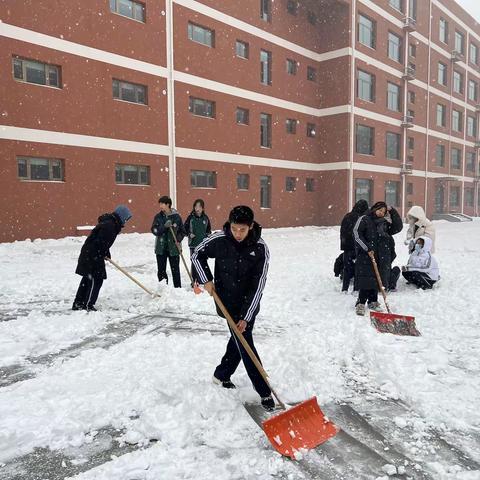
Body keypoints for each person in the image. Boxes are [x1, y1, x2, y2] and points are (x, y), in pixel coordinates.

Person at [191, 206, 274, 411]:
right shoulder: (220, 239)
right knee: (243, 341)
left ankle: (223, 375)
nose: (237, 234)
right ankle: (264, 390)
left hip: (248, 303)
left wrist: (246, 316)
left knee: (242, 337)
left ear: (251, 227)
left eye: (242, 230)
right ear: (230, 225)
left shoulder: (260, 248)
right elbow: (197, 254)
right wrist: (206, 280)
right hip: (225, 300)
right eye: (235, 229)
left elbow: (258, 285)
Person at [72, 205, 132, 311]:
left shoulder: (110, 223)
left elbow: (103, 241)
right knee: (96, 279)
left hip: (91, 253)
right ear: (121, 216)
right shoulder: (110, 225)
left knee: (88, 278)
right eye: (126, 219)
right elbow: (100, 242)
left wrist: (106, 252)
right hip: (93, 255)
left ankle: (78, 303)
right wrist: (103, 251)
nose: (125, 222)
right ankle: (88, 305)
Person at [353, 201, 403, 316]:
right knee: (366, 279)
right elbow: (356, 234)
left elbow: (397, 227)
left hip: (381, 255)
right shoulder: (364, 219)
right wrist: (367, 248)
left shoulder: (384, 223)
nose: (381, 213)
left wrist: (393, 211)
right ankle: (360, 303)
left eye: (383, 212)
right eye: (379, 210)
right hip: (367, 255)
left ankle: (373, 301)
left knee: (377, 279)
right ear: (374, 208)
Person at [151, 196, 186, 288]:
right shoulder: (158, 217)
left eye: (162, 204)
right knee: (161, 270)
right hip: (161, 248)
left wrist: (177, 239)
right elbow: (154, 230)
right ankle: (163, 289)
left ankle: (177, 289)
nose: (160, 206)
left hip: (173, 248)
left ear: (168, 204)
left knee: (175, 270)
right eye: (160, 204)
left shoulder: (177, 217)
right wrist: (164, 227)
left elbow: (182, 231)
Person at [340, 199, 369, 292]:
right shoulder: (363, 218)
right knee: (358, 268)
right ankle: (356, 289)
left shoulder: (347, 216)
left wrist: (344, 245)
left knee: (347, 268)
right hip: (359, 247)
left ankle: (345, 288)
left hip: (347, 247)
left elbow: (343, 232)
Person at [184, 199, 212, 285]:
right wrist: (189, 234)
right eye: (196, 206)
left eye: (199, 206)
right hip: (193, 244)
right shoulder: (190, 218)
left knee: (203, 261)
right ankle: (195, 281)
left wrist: (207, 236)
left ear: (203, 208)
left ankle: (203, 280)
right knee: (195, 262)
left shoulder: (206, 218)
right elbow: (184, 229)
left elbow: (208, 230)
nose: (197, 208)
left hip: (203, 245)